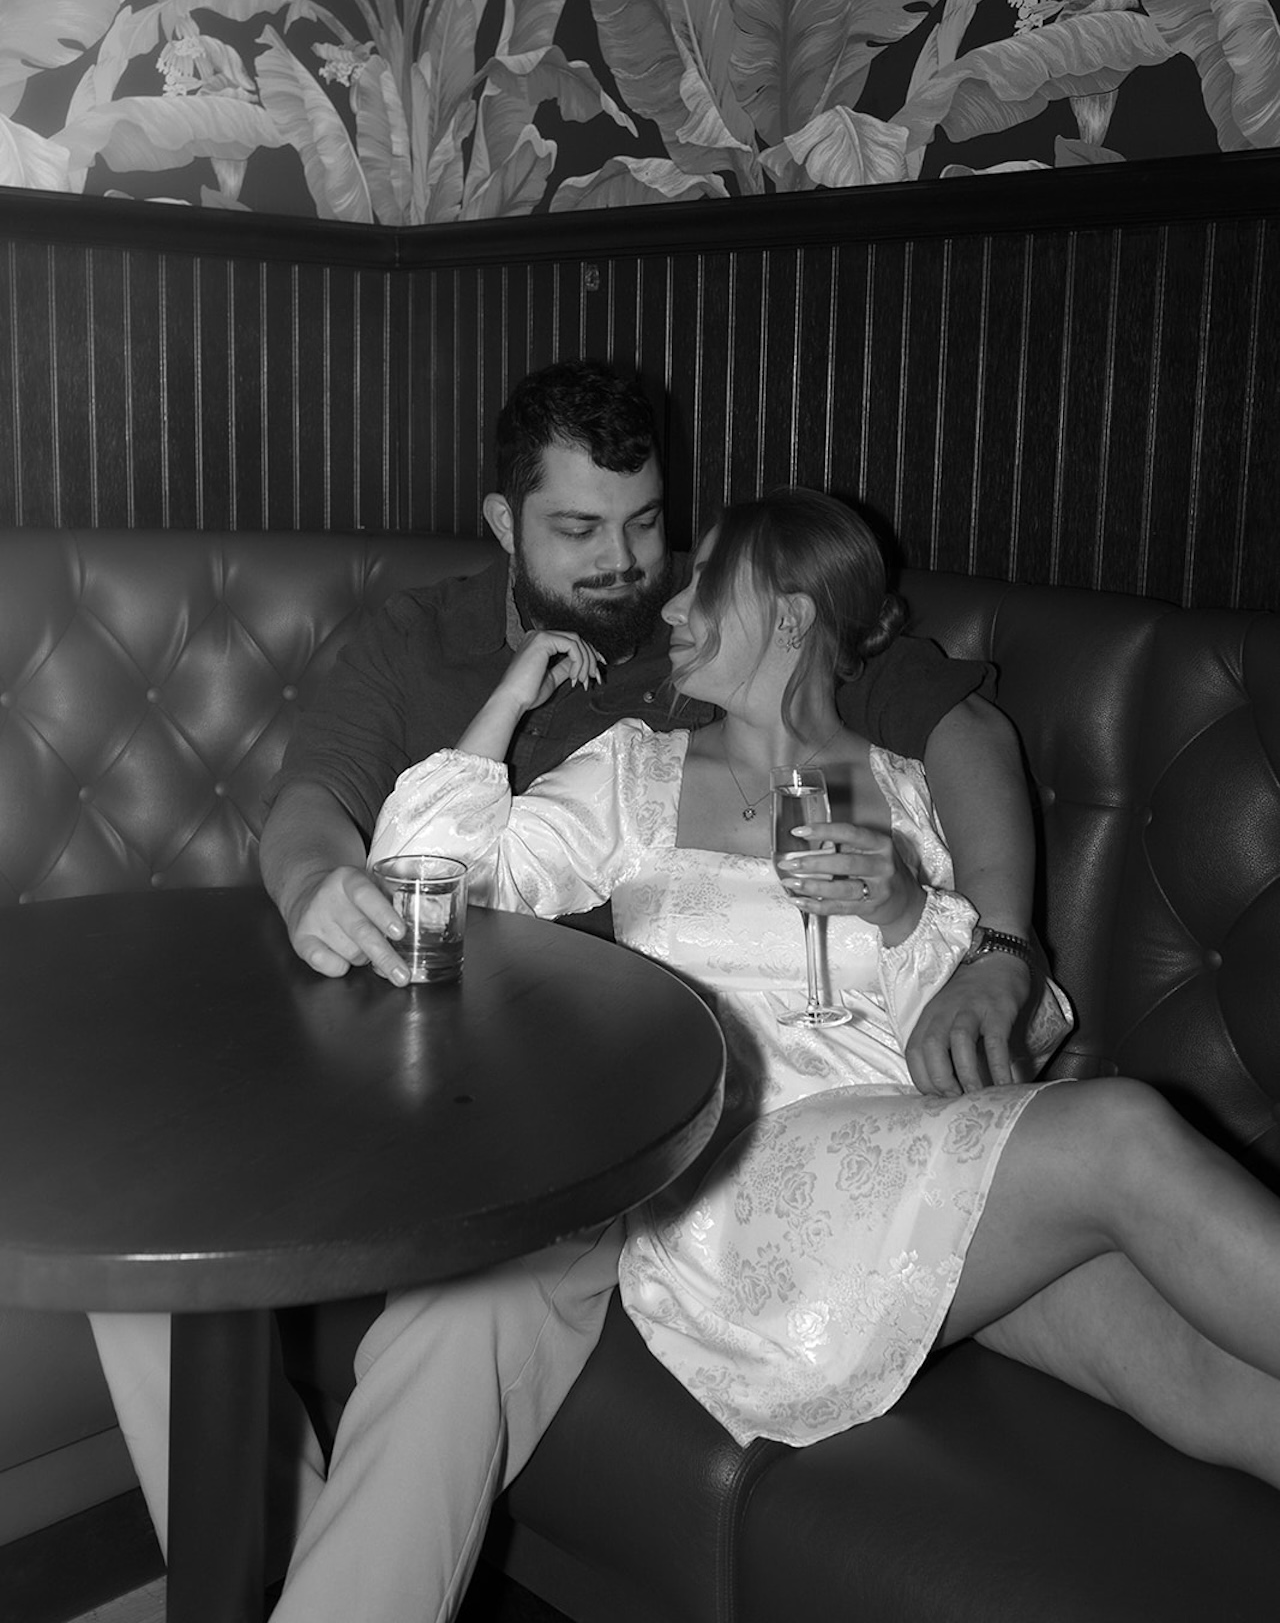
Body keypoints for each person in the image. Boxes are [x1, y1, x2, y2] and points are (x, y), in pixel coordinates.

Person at [89, 363, 1038, 1621]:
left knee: (454, 1330)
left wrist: (999, 950)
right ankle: (286, 1581)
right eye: (578, 530)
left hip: (590, 1129)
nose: (623, 564)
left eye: (647, 526)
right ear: (502, 525)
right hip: (388, 1061)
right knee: (138, 1230)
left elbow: (960, 732)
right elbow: (312, 804)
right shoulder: (413, 638)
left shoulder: (723, 635)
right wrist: (318, 881)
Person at [369, 487, 1280, 1482]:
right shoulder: (630, 779)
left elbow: (958, 1049)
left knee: (1193, 1380)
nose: (669, 609)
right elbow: (425, 889)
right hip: (729, 1187)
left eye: (703, 587)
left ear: (791, 616)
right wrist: (510, 698)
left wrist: (902, 914)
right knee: (1119, 1132)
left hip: (904, 1156)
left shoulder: (898, 790)